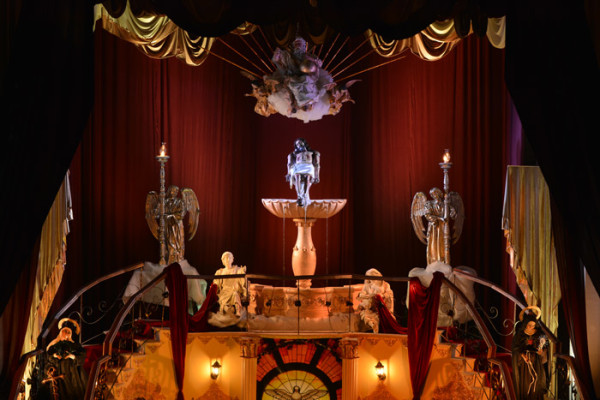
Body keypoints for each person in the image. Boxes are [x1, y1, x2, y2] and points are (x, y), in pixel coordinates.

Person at [38, 318, 87, 400]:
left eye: (68, 332)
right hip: (58, 372)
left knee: (73, 392)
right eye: (64, 332)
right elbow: (48, 358)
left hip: (72, 373)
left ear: (71, 334)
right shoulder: (54, 345)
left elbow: (82, 357)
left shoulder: (75, 346)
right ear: (61, 333)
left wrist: (72, 356)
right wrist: (54, 356)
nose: (66, 334)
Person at [511, 307, 548, 399]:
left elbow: (544, 346)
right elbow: (515, 348)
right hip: (525, 363)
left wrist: (541, 351)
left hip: (536, 362)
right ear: (525, 324)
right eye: (529, 325)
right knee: (526, 384)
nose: (531, 327)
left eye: (533, 325)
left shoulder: (539, 333)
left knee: (537, 381)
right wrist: (523, 356)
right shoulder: (520, 334)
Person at [356, 268, 394, 333]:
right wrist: (368, 296)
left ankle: (374, 325)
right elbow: (362, 294)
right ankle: (373, 324)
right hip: (370, 307)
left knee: (375, 315)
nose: (370, 280)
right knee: (365, 313)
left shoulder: (385, 284)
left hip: (381, 306)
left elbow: (389, 294)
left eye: (371, 277)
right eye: (368, 278)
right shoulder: (367, 285)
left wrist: (381, 296)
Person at [286, 138, 320, 207]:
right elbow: (289, 164)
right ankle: (299, 195)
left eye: (300, 143)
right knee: (297, 176)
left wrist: (317, 176)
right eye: (297, 144)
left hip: (308, 166)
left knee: (307, 178)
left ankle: (305, 194)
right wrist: (289, 173)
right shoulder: (294, 153)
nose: (299, 144)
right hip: (299, 166)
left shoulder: (313, 152)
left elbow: (317, 164)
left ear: (304, 143)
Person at [214, 251, 247, 317]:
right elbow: (216, 283)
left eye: (229, 258)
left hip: (234, 290)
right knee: (226, 307)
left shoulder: (237, 270)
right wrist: (213, 288)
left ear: (232, 259)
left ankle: (238, 310)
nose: (228, 260)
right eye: (226, 258)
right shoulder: (220, 272)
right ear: (223, 260)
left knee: (235, 294)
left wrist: (242, 271)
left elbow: (242, 278)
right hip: (224, 292)